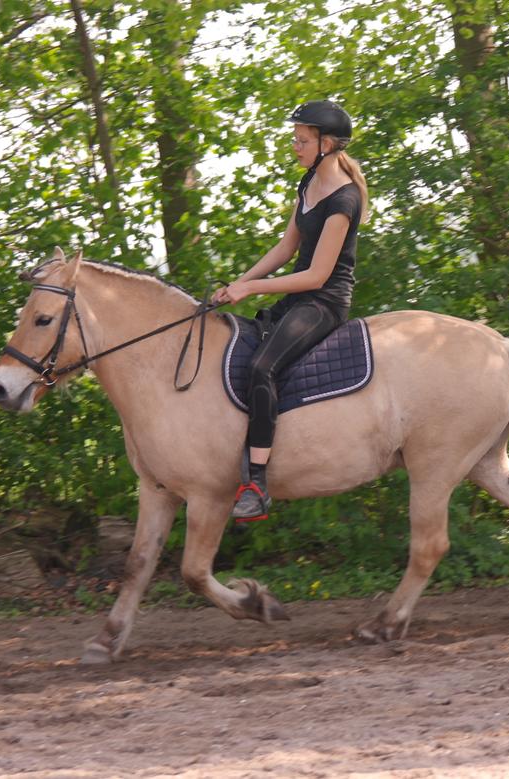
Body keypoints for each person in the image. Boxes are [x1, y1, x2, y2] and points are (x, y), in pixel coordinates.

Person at [212, 99, 369, 521]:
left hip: (324, 303)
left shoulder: (344, 200)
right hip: (298, 299)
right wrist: (237, 284)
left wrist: (252, 288)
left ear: (328, 144)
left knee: (263, 366)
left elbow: (318, 275)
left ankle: (257, 482)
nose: (295, 147)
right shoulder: (307, 186)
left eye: (302, 140)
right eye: (295, 139)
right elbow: (286, 248)